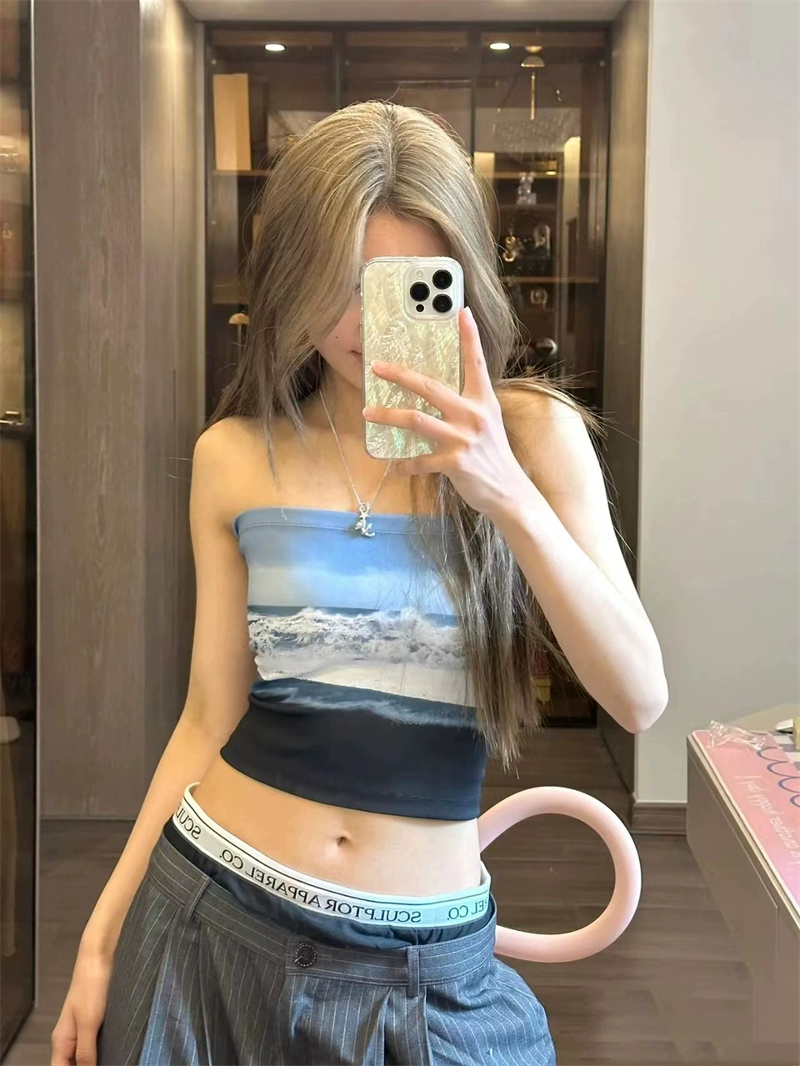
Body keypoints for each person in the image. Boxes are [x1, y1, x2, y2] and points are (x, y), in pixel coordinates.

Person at [52, 101, 668, 1066]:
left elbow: (637, 696)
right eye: (339, 284)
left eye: (402, 287)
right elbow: (208, 716)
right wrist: (99, 941)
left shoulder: (533, 438)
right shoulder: (234, 456)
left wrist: (503, 492)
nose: (365, 324)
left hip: (427, 967)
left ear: (459, 280)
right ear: (289, 277)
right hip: (211, 918)